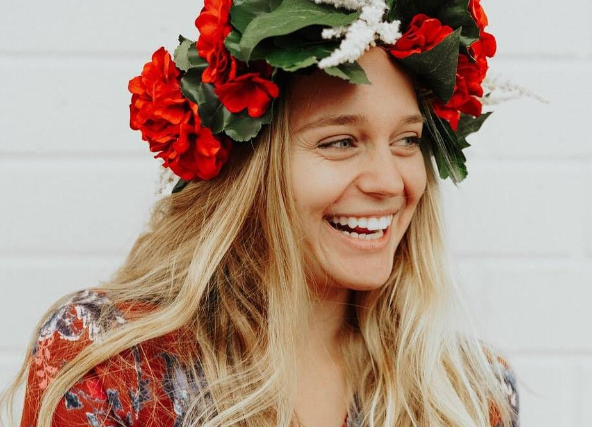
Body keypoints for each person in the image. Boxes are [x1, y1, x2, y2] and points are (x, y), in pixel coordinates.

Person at [1, 0, 519, 426]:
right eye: (340, 142)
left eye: (407, 140)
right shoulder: (115, 364)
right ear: (250, 171)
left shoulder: (470, 394)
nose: (389, 182)